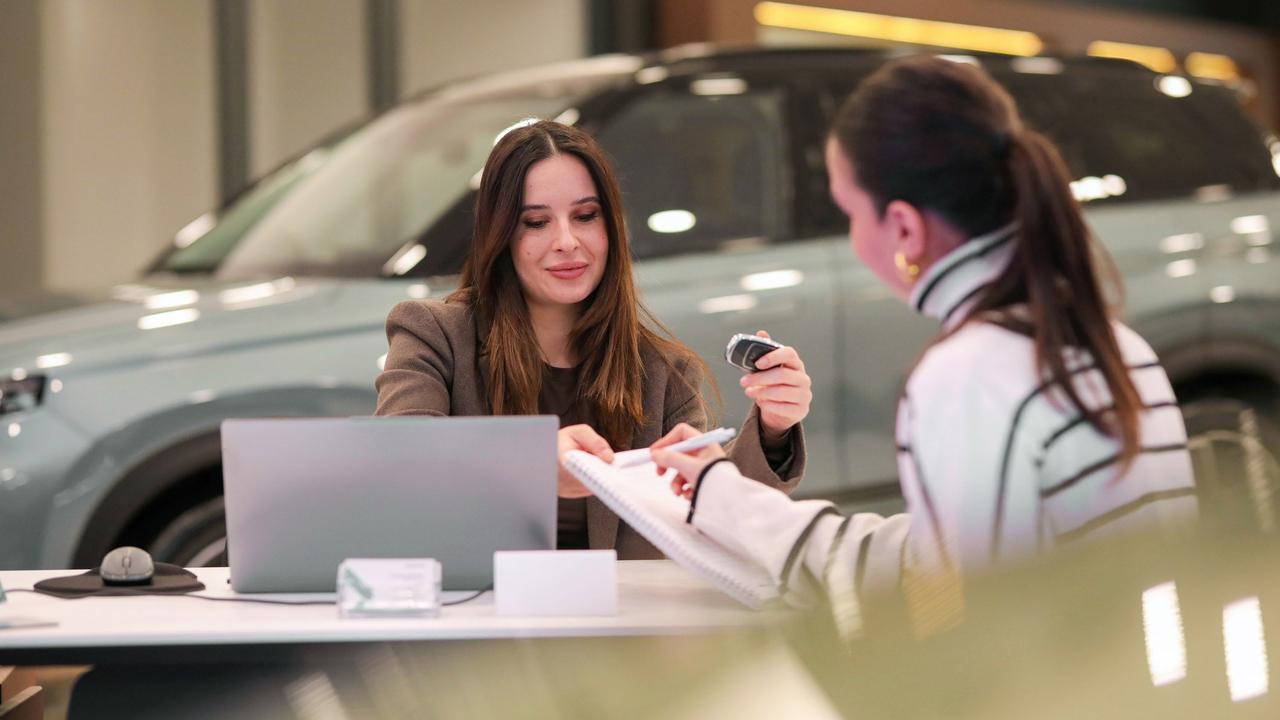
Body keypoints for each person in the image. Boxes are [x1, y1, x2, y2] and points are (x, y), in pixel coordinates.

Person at [651, 56, 1196, 633]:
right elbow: (942, 556)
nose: (852, 240)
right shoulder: (1115, 345)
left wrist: (725, 498)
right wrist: (727, 498)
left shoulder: (971, 372)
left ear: (905, 229)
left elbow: (953, 609)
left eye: (850, 214)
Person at [374, 120, 812, 559]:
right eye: (536, 222)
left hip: (617, 622)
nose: (566, 241)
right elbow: (403, 459)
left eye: (585, 216)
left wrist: (774, 427)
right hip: (477, 616)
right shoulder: (433, 334)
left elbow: (712, 518)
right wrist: (531, 464)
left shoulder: (663, 373)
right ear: (500, 234)